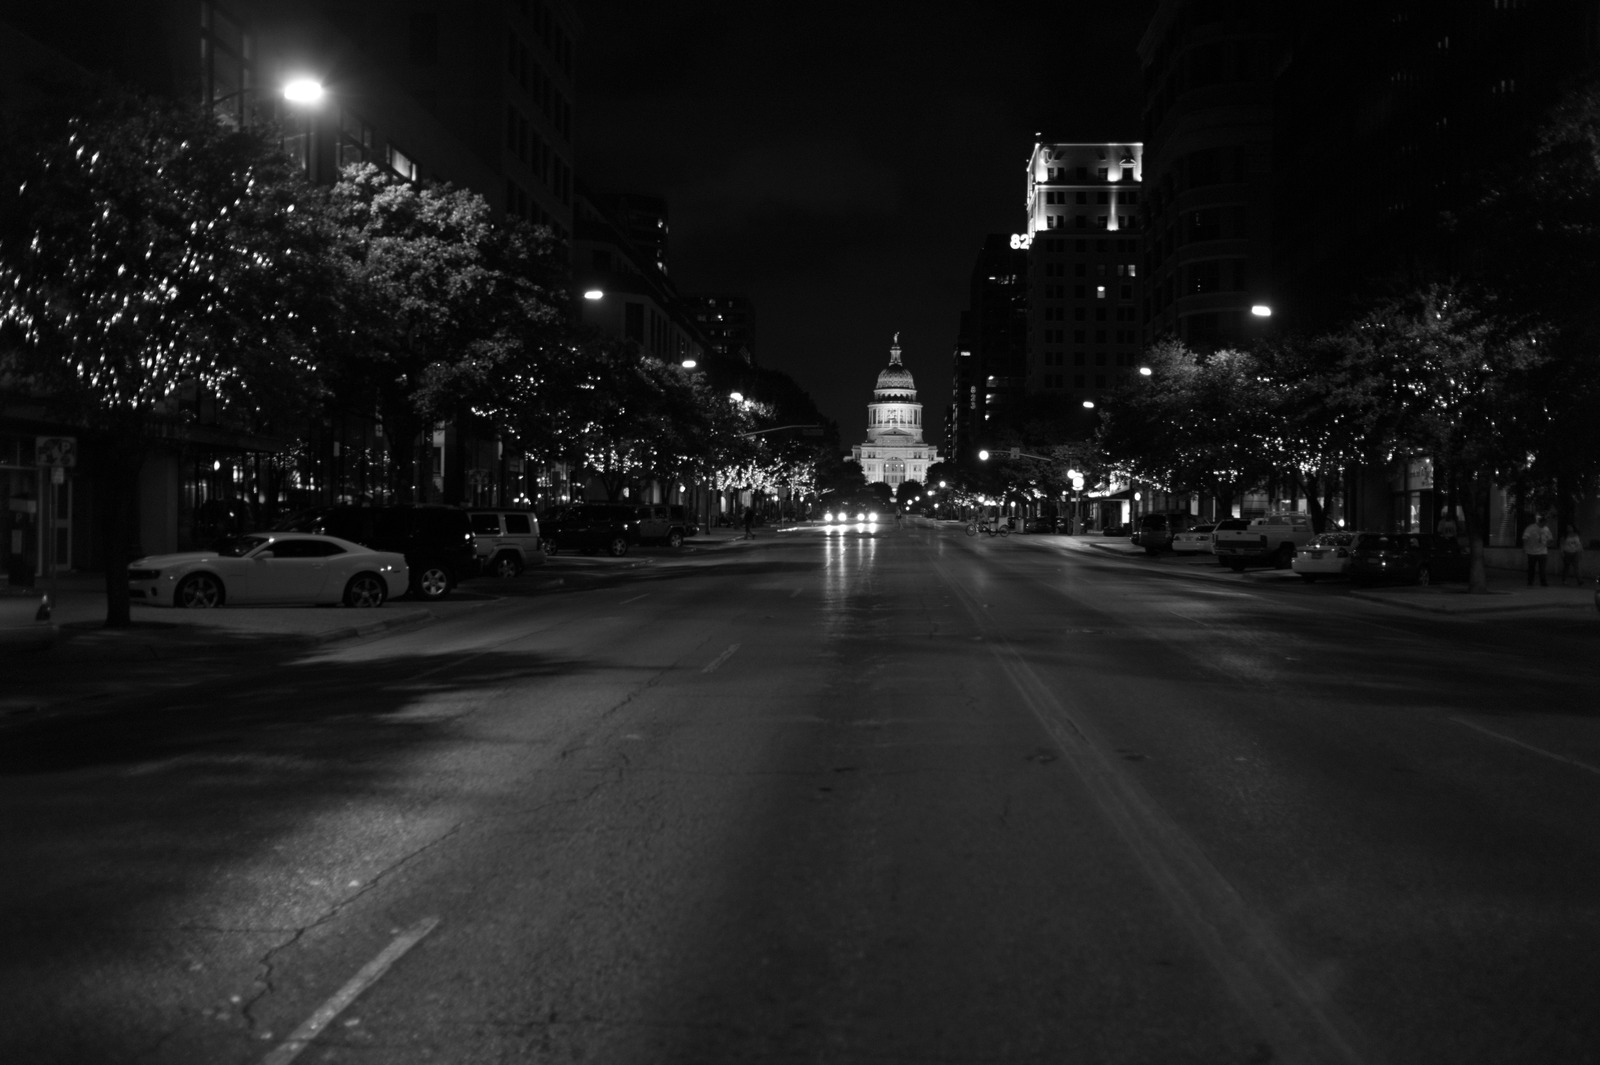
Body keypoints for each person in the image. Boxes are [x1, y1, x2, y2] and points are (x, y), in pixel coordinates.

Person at [1521, 513, 1554, 587]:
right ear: (1541, 522)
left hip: (1543, 551)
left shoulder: (1546, 529)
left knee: (1542, 568)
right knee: (1531, 568)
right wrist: (1524, 547)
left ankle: (1543, 582)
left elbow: (1550, 538)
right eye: (1544, 523)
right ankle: (1530, 582)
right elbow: (1525, 538)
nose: (1545, 525)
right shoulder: (1531, 528)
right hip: (1532, 551)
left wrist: (1548, 543)